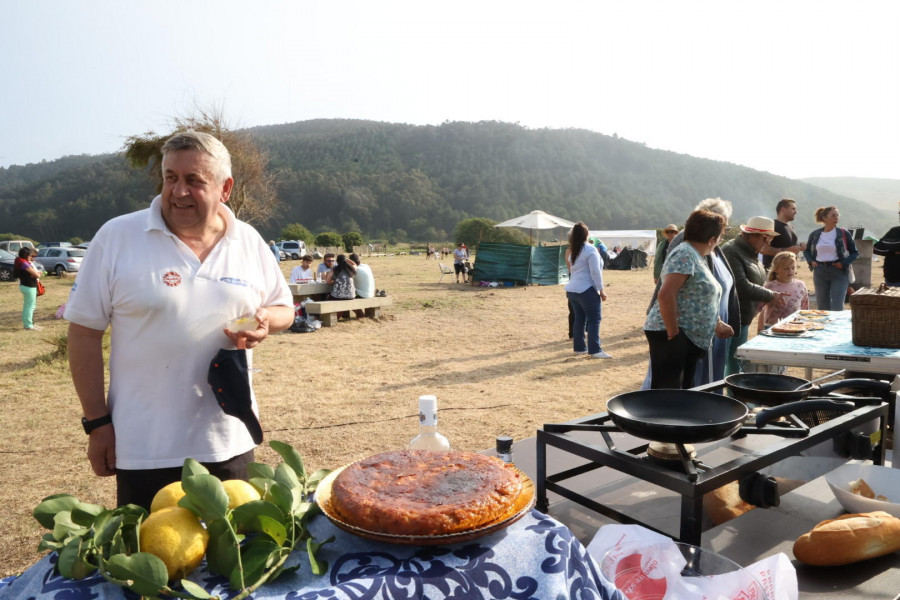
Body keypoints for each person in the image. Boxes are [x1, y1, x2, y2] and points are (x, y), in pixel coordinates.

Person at [65, 130, 294, 510]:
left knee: (233, 559)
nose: (178, 191)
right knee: (156, 561)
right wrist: (97, 424)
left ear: (225, 188)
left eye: (194, 180)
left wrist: (267, 319)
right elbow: (83, 334)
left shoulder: (248, 240)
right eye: (171, 177)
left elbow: (284, 307)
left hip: (228, 441)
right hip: (145, 449)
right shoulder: (118, 236)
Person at [643, 198, 739, 389]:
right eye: (721, 236)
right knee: (667, 395)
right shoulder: (685, 253)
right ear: (712, 239)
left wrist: (717, 323)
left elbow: (702, 296)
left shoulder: (698, 255)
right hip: (674, 336)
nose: (720, 241)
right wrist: (673, 333)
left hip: (688, 338)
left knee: (682, 395)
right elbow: (665, 294)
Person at [721, 216, 786, 375]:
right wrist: (770, 295)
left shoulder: (750, 251)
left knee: (736, 365)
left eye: (770, 238)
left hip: (742, 317)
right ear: (752, 235)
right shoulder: (731, 251)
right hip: (728, 317)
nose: (768, 242)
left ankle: (733, 397)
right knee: (724, 364)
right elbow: (741, 286)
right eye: (766, 237)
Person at [564, 222, 611, 359]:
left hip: (572, 290)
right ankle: (595, 350)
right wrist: (601, 290)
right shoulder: (590, 250)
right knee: (594, 320)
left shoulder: (573, 250)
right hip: (586, 289)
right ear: (587, 234)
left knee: (579, 319)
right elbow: (595, 272)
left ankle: (579, 348)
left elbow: (572, 270)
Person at [803, 206, 858, 311]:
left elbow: (855, 252)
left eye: (838, 215)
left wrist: (844, 263)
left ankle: (837, 327)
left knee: (837, 307)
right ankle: (823, 327)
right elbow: (806, 251)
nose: (836, 217)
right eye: (833, 215)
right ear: (824, 218)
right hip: (819, 271)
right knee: (822, 307)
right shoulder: (815, 234)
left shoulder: (843, 233)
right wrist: (811, 261)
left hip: (838, 271)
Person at [758, 251, 809, 331]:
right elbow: (761, 309)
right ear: (776, 269)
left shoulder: (801, 285)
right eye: (786, 268)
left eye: (793, 267)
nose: (790, 271)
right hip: (772, 327)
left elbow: (804, 308)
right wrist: (760, 329)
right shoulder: (769, 286)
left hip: (795, 326)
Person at [761, 198, 807, 270]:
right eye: (793, 209)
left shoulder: (791, 227)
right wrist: (786, 250)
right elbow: (763, 249)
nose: (796, 212)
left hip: (788, 273)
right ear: (783, 209)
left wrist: (800, 247)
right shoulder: (772, 226)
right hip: (774, 274)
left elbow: (789, 246)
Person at [14, 247, 43, 330]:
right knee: (31, 306)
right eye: (30, 255)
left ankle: (27, 324)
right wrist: (39, 273)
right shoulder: (24, 263)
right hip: (29, 286)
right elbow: (37, 275)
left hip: (24, 286)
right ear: (26, 255)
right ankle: (29, 325)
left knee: (27, 306)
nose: (31, 257)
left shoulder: (19, 261)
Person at [873, 204, 900, 286]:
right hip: (892, 279)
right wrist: (894, 250)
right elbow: (876, 248)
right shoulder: (894, 231)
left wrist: (889, 247)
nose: (899, 214)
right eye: (899, 213)